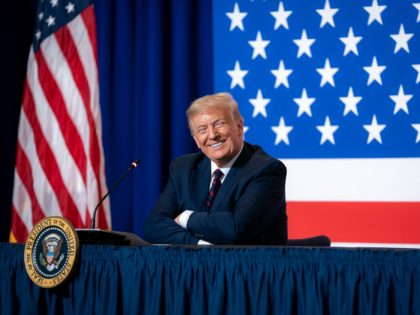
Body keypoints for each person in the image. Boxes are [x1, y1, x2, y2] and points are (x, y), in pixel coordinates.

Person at [143, 92, 287, 245]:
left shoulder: (266, 169)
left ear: (239, 127)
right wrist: (197, 244)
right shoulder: (183, 168)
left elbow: (237, 227)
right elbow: (153, 226)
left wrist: (186, 218)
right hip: (197, 266)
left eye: (219, 124)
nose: (212, 135)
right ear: (196, 140)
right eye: (202, 130)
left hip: (250, 266)